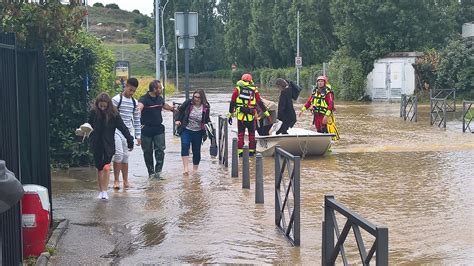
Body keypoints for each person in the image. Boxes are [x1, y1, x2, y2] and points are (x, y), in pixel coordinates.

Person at [88, 93, 134, 200]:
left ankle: (105, 191)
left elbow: (123, 128)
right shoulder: (93, 113)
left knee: (106, 166)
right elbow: (88, 125)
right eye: (101, 106)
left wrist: (130, 140)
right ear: (97, 104)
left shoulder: (114, 115)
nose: (103, 108)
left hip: (109, 144)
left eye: (105, 106)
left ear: (108, 105)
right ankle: (102, 191)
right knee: (99, 167)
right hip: (96, 143)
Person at [137, 80, 174, 179]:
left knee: (160, 150)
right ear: (154, 89)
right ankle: (151, 173)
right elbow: (140, 106)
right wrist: (138, 110)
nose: (161, 89)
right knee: (147, 151)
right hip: (146, 129)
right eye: (160, 88)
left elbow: (164, 105)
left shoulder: (159, 98)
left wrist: (173, 109)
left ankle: (158, 172)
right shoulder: (144, 99)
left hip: (158, 128)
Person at [227, 73, 271, 156]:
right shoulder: (254, 90)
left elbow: (232, 102)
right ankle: (251, 152)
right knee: (252, 135)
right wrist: (267, 114)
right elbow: (259, 102)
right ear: (251, 80)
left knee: (240, 135)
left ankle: (240, 153)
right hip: (251, 115)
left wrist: (230, 114)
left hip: (241, 116)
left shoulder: (237, 89)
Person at [112, 77, 141, 189]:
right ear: (126, 86)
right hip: (116, 131)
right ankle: (116, 181)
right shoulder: (116, 100)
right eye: (130, 90)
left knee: (125, 156)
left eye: (134, 91)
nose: (131, 92)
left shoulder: (134, 102)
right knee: (118, 154)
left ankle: (125, 181)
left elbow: (137, 119)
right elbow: (110, 117)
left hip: (128, 133)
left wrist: (138, 135)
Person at [175, 89, 211, 175]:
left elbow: (206, 119)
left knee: (196, 151)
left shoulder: (206, 107)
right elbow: (179, 111)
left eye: (198, 97)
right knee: (185, 145)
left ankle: (195, 170)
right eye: (195, 97)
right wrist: (177, 120)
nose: (196, 99)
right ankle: (186, 169)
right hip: (186, 129)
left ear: (202, 98)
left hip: (198, 131)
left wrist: (209, 128)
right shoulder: (188, 103)